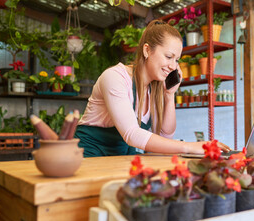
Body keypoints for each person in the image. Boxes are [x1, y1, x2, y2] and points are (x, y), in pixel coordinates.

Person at [75, 19, 231, 157]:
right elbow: (131, 134)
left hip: (119, 159)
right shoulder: (115, 77)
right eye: (169, 57)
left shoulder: (154, 87)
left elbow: (165, 135)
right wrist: (190, 147)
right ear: (147, 50)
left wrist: (170, 95)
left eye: (176, 60)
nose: (173, 66)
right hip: (89, 157)